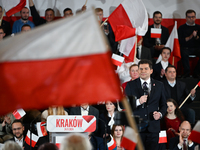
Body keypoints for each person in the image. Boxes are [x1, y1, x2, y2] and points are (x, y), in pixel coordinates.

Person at [125, 59, 167, 150]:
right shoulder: (130, 85)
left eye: (145, 69)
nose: (143, 71)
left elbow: (164, 105)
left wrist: (160, 114)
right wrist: (138, 102)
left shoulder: (159, 85)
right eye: (141, 69)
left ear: (151, 71)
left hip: (153, 128)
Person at [178, 9, 200, 78]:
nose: (191, 19)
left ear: (195, 17)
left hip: (197, 48)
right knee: (183, 53)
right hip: (186, 48)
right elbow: (180, 41)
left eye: (193, 17)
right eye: (189, 17)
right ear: (186, 18)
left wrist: (196, 37)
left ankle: (197, 72)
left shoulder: (198, 27)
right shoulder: (181, 28)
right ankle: (186, 73)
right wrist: (190, 37)